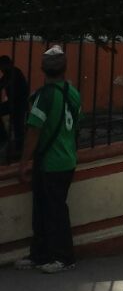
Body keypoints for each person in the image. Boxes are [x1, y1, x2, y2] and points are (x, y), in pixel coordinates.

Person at [15, 45, 81, 272]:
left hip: (49, 162)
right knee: (49, 209)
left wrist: (24, 162)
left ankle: (62, 257)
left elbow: (33, 131)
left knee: (49, 211)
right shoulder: (73, 93)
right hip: (67, 159)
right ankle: (42, 255)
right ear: (65, 68)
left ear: (43, 69)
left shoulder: (44, 96)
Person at [0, 54, 30, 163]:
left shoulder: (14, 72)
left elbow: (6, 84)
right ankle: (4, 137)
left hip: (19, 104)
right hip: (12, 103)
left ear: (6, 65)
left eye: (2, 66)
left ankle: (19, 150)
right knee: (18, 127)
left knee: (18, 127)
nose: (1, 69)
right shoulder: (8, 74)